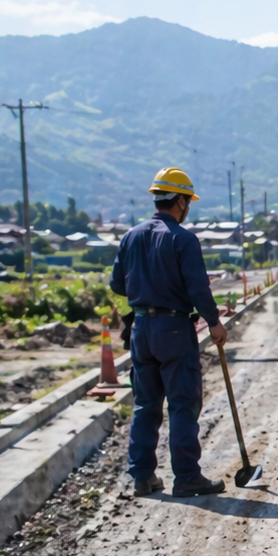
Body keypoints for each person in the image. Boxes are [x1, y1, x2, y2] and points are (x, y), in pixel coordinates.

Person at [110, 167, 228, 498]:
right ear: (179, 201)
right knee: (182, 403)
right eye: (188, 201)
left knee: (146, 404)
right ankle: (187, 477)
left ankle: (143, 477)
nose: (188, 207)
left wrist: (146, 289)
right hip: (173, 329)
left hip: (140, 329)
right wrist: (214, 322)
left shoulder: (131, 236)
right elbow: (198, 288)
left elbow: (117, 284)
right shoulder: (182, 239)